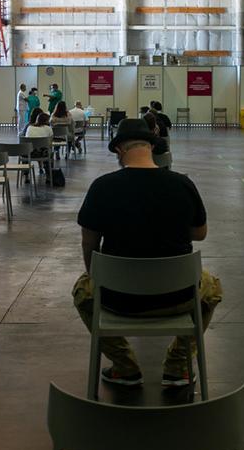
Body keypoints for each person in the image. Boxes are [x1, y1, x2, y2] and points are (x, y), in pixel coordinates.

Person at [72, 117, 221, 388]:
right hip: (179, 295)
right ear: (152, 147)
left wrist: (95, 275)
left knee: (82, 292)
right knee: (212, 287)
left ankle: (124, 367)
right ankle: (178, 365)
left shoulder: (102, 187)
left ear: (119, 150)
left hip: (117, 298)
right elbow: (200, 234)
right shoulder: (182, 184)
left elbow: (89, 243)